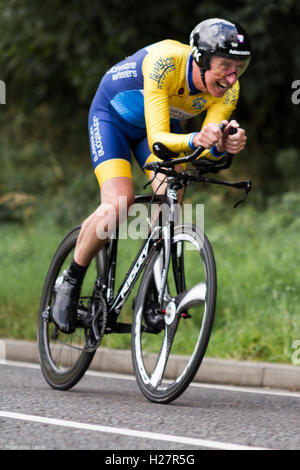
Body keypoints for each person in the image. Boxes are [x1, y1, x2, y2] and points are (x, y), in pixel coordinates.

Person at [52, 18, 252, 334]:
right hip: (113, 119)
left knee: (174, 189)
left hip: (157, 129)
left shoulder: (229, 90)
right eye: (224, 65)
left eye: (238, 68)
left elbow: (204, 150)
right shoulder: (165, 62)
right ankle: (70, 280)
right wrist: (198, 139)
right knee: (119, 203)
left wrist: (224, 146)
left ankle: (150, 288)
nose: (231, 77)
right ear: (200, 59)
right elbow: (161, 137)